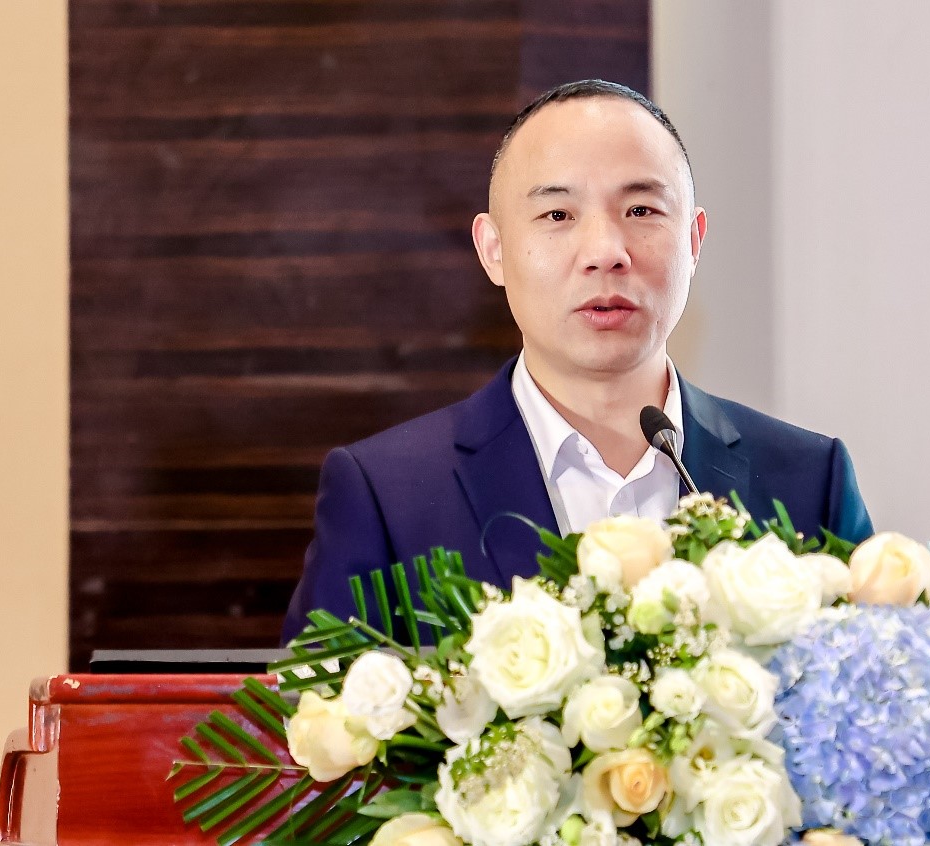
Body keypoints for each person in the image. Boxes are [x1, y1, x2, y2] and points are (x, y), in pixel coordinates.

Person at [281, 80, 872, 642]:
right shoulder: (388, 495)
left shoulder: (806, 481)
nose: (606, 252)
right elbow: (314, 711)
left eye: (640, 211)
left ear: (694, 242)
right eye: (558, 215)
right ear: (493, 250)